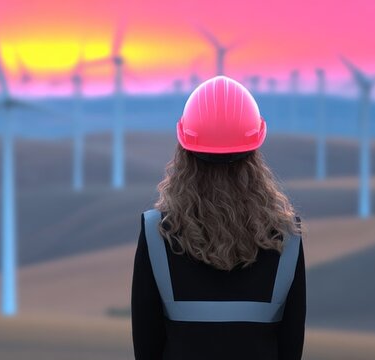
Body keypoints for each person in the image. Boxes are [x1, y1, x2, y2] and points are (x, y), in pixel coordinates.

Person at [131, 76, 305, 359]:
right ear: (254, 154)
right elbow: (291, 346)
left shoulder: (156, 233)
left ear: (184, 150)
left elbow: (146, 347)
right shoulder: (287, 237)